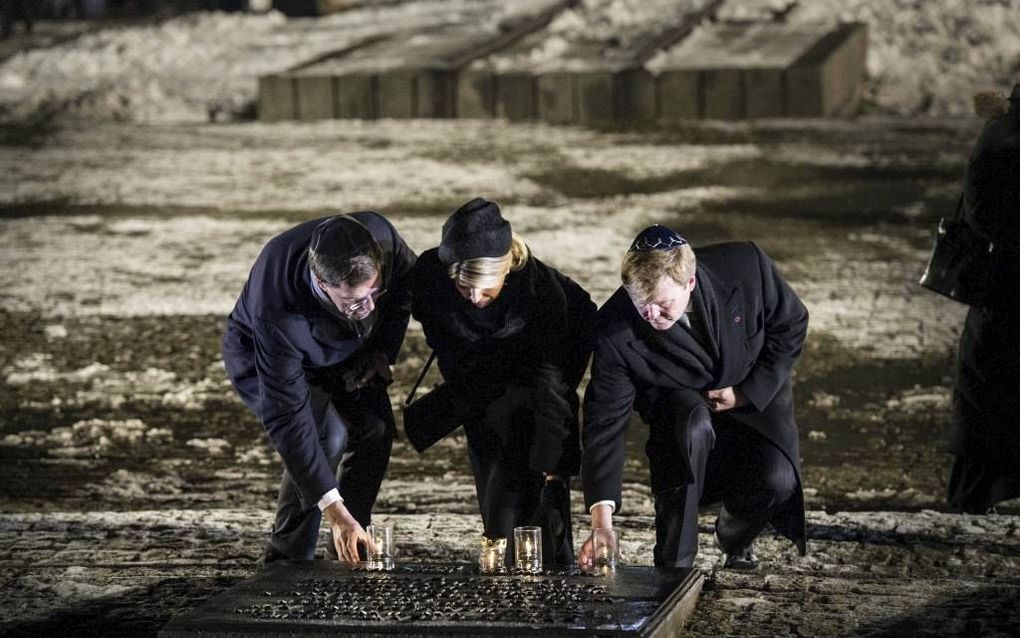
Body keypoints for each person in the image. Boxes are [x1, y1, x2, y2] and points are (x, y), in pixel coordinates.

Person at [578, 224, 808, 570]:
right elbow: (605, 423)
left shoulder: (746, 265)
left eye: (661, 304)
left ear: (690, 282)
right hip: (681, 415)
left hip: (753, 395)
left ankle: (733, 535)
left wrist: (746, 393)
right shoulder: (613, 329)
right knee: (689, 429)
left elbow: (791, 324)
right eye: (641, 304)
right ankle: (674, 565)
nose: (650, 315)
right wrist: (602, 524)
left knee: (778, 481)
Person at [406, 198, 596, 567]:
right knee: (490, 448)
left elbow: (553, 386)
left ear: (505, 272)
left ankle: (552, 558)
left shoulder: (542, 298)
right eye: (465, 289)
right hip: (478, 378)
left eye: (484, 288)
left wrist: (558, 473)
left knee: (534, 459)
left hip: (547, 365)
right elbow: (444, 343)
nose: (475, 299)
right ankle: (501, 549)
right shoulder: (430, 279)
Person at [222, 212, 416, 564]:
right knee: (323, 436)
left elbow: (407, 289)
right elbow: (290, 422)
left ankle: (351, 545)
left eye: (376, 292)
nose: (371, 307)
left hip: (347, 350)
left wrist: (382, 349)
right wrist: (333, 510)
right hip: (268, 356)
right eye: (356, 302)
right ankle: (287, 556)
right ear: (322, 283)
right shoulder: (277, 310)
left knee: (375, 428)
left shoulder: (382, 237)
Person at [947, 83, 1020, 514]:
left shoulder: (1005, 130)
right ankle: (964, 517)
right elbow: (983, 215)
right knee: (988, 424)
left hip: (1001, 306)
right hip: (1004, 302)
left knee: (989, 422)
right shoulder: (1007, 139)